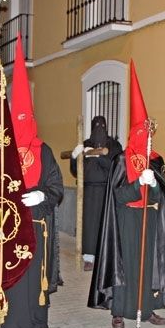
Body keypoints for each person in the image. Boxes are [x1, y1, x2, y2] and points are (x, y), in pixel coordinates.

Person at [0, 36, 63, 328]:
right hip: (5, 228)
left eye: (26, 118)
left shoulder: (44, 151)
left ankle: (36, 324)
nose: (22, 123)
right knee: (5, 276)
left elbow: (56, 187)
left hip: (36, 225)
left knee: (33, 281)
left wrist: (42, 195)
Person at [88, 60, 165, 328]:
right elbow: (117, 196)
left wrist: (153, 185)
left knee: (148, 264)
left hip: (149, 218)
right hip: (126, 218)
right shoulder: (121, 160)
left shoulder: (156, 160)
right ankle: (119, 310)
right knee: (125, 263)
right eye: (141, 133)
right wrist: (138, 182)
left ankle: (146, 308)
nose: (145, 137)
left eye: (148, 133)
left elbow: (161, 197)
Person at [70, 116, 123, 271]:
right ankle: (89, 258)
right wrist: (74, 157)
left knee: (105, 224)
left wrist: (98, 156)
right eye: (96, 126)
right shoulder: (85, 144)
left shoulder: (114, 146)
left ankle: (105, 257)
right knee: (89, 226)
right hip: (87, 191)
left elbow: (117, 167)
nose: (99, 128)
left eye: (102, 126)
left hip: (106, 190)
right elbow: (75, 170)